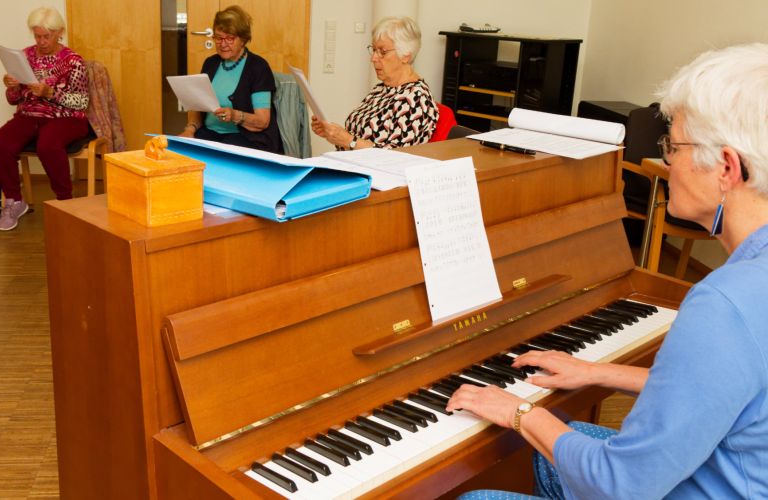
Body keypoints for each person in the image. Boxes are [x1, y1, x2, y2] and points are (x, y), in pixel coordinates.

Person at [449, 43, 768, 499]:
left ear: (727, 167)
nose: (666, 162)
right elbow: (709, 390)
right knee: (561, 441)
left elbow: (620, 486)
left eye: (673, 146)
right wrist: (597, 372)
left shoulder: (724, 304)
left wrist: (520, 413)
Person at [0, 7, 90, 231]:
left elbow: (81, 103)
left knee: (48, 144)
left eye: (47, 36)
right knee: (0, 142)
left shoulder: (73, 61)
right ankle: (14, 202)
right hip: (30, 115)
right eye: (37, 36)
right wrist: (12, 87)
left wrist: (50, 93)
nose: (41, 42)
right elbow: (14, 100)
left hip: (66, 118)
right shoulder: (24, 56)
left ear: (59, 32)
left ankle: (65, 203)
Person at [311, 16, 438, 150]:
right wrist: (334, 134)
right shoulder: (381, 89)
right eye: (374, 50)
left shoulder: (416, 98)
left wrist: (349, 141)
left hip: (373, 165)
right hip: (348, 161)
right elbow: (358, 138)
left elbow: (396, 156)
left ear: (406, 56)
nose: (373, 58)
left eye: (383, 52)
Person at [179, 5, 282, 154]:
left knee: (218, 156)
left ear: (243, 39)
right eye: (218, 38)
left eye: (229, 38)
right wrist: (190, 129)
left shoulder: (258, 67)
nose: (223, 44)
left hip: (247, 139)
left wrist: (235, 115)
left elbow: (262, 121)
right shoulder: (210, 63)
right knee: (180, 152)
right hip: (210, 134)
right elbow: (197, 106)